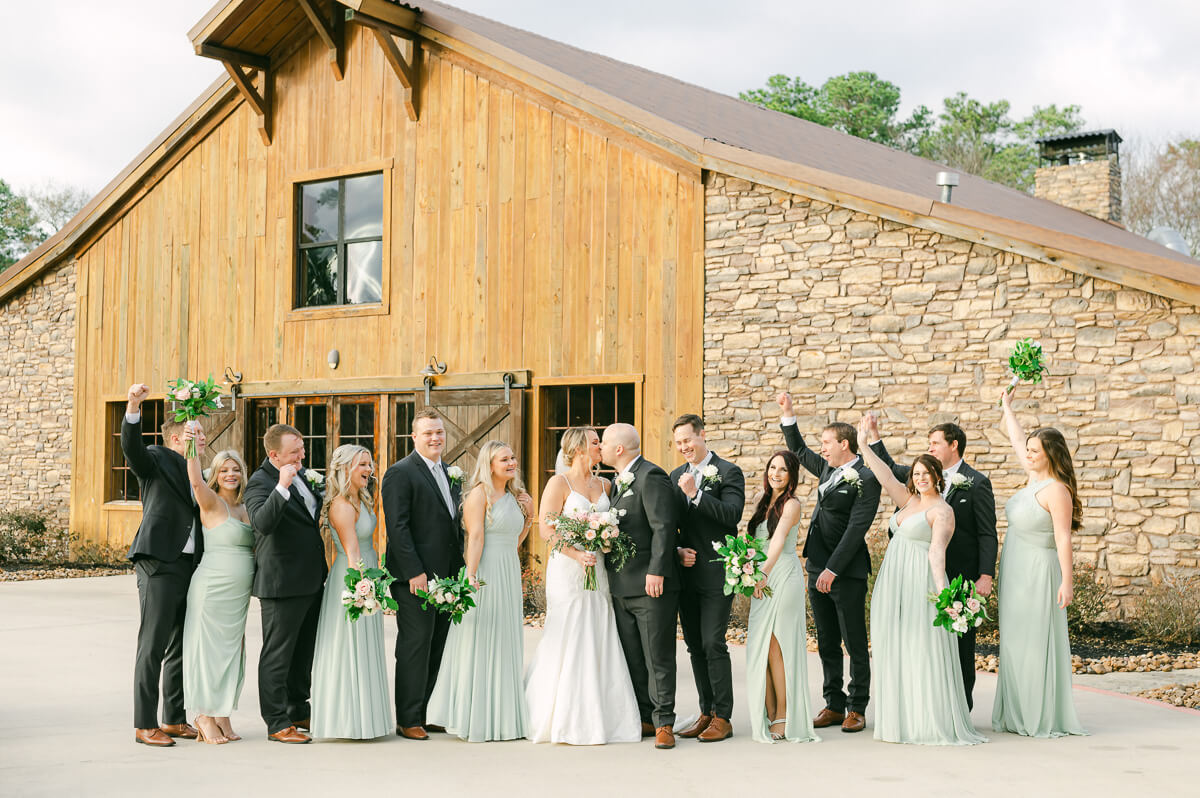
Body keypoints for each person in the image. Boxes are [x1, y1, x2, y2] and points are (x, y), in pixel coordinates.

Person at [857, 420, 987, 746]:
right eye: (916, 474)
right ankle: (900, 718)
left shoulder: (941, 511)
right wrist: (863, 445)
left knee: (919, 647)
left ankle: (925, 719)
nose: (920, 478)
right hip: (893, 582)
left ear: (937, 476)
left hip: (919, 583)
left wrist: (945, 596)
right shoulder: (907, 501)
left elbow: (937, 555)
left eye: (925, 474)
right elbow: (885, 474)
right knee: (896, 644)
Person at [524, 427, 642, 745]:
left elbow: (617, 523)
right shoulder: (558, 483)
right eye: (594, 442)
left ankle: (603, 713)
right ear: (578, 448)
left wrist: (606, 542)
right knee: (569, 632)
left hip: (599, 569)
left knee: (599, 630)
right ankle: (562, 714)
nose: (600, 447)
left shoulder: (605, 484)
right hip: (568, 570)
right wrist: (577, 554)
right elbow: (547, 529)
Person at [776, 392, 880, 733]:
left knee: (853, 641)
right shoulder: (827, 470)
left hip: (846, 572)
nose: (822, 448)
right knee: (826, 640)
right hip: (816, 566)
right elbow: (800, 451)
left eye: (827, 443)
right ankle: (833, 704)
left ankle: (857, 707)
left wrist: (834, 569)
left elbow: (857, 527)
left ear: (846, 444)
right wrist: (788, 414)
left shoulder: (866, 477)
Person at [992, 388, 1086, 737]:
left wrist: (1067, 581)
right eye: (1028, 450)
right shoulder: (1032, 474)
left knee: (1034, 639)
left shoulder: (1056, 490)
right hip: (1014, 568)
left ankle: (1038, 712)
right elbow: (1016, 438)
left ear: (1050, 455)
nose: (1028, 454)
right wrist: (1007, 407)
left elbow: (1063, 537)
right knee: (1014, 640)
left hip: (1038, 570)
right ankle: (1016, 712)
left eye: (1035, 451)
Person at [428, 441, 533, 741]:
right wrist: (470, 577)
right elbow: (474, 538)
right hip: (483, 571)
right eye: (504, 459)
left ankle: (503, 716)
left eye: (513, 457)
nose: (512, 463)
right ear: (490, 465)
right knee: (481, 637)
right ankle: (474, 715)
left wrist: (528, 516)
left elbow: (515, 540)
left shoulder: (515, 496)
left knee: (504, 638)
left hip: (508, 570)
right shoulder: (478, 495)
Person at [123, 383, 203, 747]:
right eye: (194, 432)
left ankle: (173, 718)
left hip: (190, 566)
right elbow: (132, 450)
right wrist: (134, 407)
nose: (201, 437)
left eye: (201, 433)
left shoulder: (199, 473)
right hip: (158, 562)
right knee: (152, 643)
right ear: (174, 437)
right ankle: (144, 723)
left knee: (179, 646)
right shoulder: (156, 458)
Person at [381, 409, 464, 740]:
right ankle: (408, 718)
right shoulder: (400, 473)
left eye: (440, 432)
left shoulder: (449, 472)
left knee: (438, 644)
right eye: (428, 433)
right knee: (415, 646)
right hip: (415, 578)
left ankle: (429, 712)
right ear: (414, 437)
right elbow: (397, 527)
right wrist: (415, 572)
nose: (435, 438)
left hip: (447, 577)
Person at [244, 424, 328, 744]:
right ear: (274, 455)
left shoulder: (305, 476)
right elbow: (263, 524)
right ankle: (277, 721)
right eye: (295, 451)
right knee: (277, 655)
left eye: (302, 448)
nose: (302, 455)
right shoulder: (261, 482)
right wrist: (281, 487)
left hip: (309, 578)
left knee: (302, 652)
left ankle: (297, 709)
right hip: (281, 583)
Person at [599, 423, 680, 750]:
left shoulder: (651, 476)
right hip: (621, 585)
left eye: (604, 442)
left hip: (651, 585)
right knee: (633, 655)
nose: (600, 448)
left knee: (657, 655)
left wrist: (657, 570)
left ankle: (665, 723)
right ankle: (645, 716)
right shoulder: (619, 481)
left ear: (619, 449)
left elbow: (663, 527)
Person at [669, 414, 745, 743]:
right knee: (694, 645)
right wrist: (675, 550)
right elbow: (667, 523)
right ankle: (706, 711)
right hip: (686, 574)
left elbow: (732, 515)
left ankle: (723, 717)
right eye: (679, 443)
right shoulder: (674, 476)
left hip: (717, 572)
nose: (684, 447)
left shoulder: (729, 472)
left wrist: (698, 495)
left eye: (688, 439)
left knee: (714, 642)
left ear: (702, 436)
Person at [309, 444, 392, 740]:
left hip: (367, 571)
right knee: (349, 647)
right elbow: (352, 550)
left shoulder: (362, 499)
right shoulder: (342, 505)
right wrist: (364, 589)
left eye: (369, 465)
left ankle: (367, 718)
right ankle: (347, 721)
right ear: (344, 469)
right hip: (353, 577)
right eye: (362, 465)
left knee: (365, 646)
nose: (368, 471)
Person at [181, 437, 254, 745]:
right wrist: (191, 447)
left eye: (235, 469)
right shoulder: (211, 501)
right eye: (224, 470)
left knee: (231, 653)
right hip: (212, 590)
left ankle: (222, 710)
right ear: (216, 474)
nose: (230, 475)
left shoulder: (247, 505)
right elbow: (195, 481)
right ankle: (202, 715)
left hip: (238, 596)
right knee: (206, 652)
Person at [745, 450, 819, 744]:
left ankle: (784, 715)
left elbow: (777, 542)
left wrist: (762, 572)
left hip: (781, 574)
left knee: (778, 646)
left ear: (792, 476)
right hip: (759, 577)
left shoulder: (792, 505)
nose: (775, 473)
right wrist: (745, 569)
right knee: (761, 648)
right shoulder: (761, 502)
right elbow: (753, 542)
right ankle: (770, 709)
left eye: (783, 470)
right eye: (772, 467)